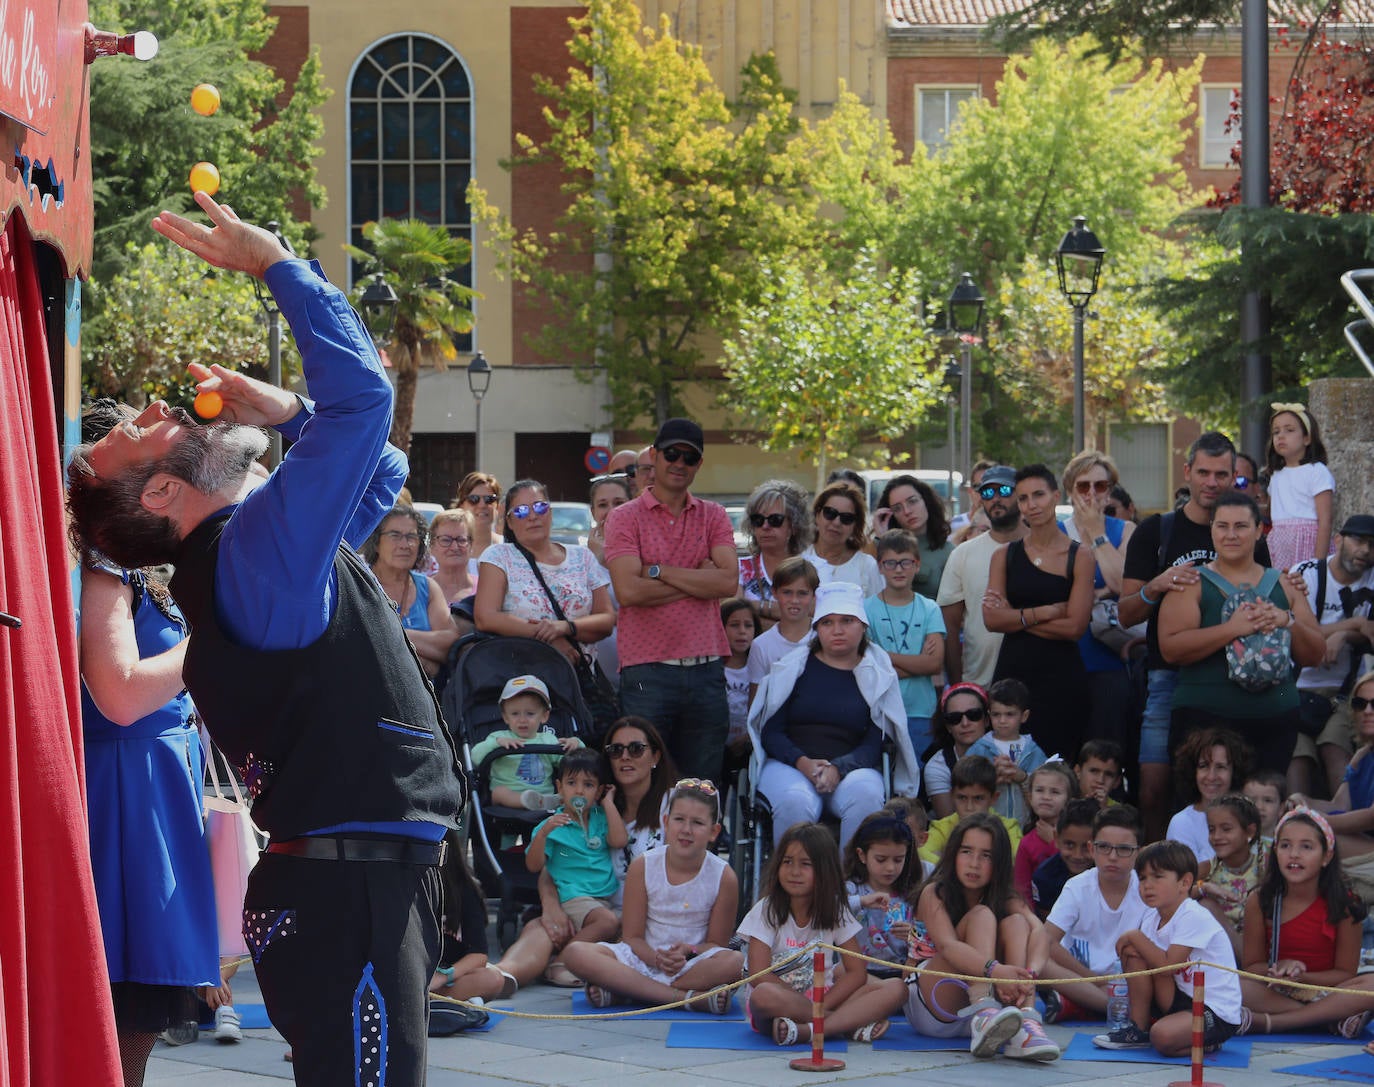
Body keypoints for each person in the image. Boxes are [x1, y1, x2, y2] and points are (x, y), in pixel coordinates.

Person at [64, 193, 466, 1085]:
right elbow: (364, 403)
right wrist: (273, 264)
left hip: (344, 881)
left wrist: (285, 411)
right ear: (163, 494)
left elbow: (382, 468)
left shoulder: (252, 556)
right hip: (348, 887)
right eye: (145, 433)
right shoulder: (253, 558)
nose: (167, 410)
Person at [78, 550, 220, 1084]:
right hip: (120, 792)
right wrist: (214, 636)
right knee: (121, 988)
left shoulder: (149, 570)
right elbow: (121, 695)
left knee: (144, 1003)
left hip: (163, 791)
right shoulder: (102, 568)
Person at [1119, 431, 1263, 842]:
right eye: (1203, 472)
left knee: (1229, 794)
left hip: (1231, 677)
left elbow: (1267, 591)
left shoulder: (1248, 532)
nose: (1212, 482)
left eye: (1222, 474)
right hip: (1168, 675)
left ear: (1234, 476)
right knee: (1153, 789)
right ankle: (1152, 880)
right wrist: (1158, 584)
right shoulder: (1156, 532)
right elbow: (1127, 611)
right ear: (1188, 472)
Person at [493, 717, 678, 990]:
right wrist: (551, 905)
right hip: (589, 908)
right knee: (547, 928)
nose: (625, 756)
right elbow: (551, 863)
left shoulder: (673, 806)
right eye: (616, 750)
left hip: (642, 925)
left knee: (581, 928)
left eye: (636, 748)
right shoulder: (585, 814)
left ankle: (560, 962)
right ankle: (495, 979)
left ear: (655, 756)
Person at [604, 418, 738, 781]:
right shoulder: (624, 517)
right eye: (672, 454)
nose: (679, 463)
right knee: (642, 783)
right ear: (654, 455)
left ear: (699, 465)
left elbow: (728, 582)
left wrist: (657, 569)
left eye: (690, 458)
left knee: (702, 784)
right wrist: (700, 577)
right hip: (648, 671)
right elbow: (628, 591)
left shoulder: (714, 514)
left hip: (706, 668)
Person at [1159, 491, 1324, 772]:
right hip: (1204, 721)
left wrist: (1287, 621)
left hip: (1276, 718)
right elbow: (1171, 649)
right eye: (1222, 526)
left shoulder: (1285, 584)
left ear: (1259, 530)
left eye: (1241, 526)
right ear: (1211, 530)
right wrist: (1231, 629)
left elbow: (1316, 654)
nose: (1230, 535)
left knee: (1264, 809)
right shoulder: (1192, 582)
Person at [749, 582, 919, 848]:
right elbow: (771, 732)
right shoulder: (792, 669)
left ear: (862, 626)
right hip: (790, 765)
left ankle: (850, 883)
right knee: (795, 801)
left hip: (854, 768)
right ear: (817, 628)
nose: (837, 630)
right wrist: (803, 763)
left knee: (866, 795)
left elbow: (877, 740)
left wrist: (839, 768)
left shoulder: (877, 675)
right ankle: (794, 882)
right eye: (827, 623)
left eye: (847, 621)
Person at [562, 779, 743, 1011]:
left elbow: (716, 944)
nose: (686, 830)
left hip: (690, 965)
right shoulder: (643, 865)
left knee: (735, 962)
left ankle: (629, 992)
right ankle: (683, 999)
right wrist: (656, 959)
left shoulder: (723, 876)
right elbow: (632, 937)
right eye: (679, 820)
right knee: (575, 953)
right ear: (666, 822)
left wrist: (690, 951)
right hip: (642, 958)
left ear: (713, 831)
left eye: (697, 823)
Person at [905, 812, 1061, 1061]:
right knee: (982, 915)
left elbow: (1040, 931)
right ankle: (984, 1009)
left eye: (986, 856)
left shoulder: (1007, 897)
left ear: (998, 863)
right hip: (933, 1004)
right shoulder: (935, 892)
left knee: (1018, 923)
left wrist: (1027, 976)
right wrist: (997, 971)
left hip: (994, 1010)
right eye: (966, 851)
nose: (974, 863)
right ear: (953, 854)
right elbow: (947, 946)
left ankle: (1025, 1019)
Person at [739, 823, 906, 1045]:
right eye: (787, 862)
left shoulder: (835, 909)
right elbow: (759, 974)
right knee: (763, 994)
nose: (794, 872)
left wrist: (823, 1004)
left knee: (897, 988)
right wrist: (809, 1006)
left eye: (805, 864)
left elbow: (857, 971)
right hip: (779, 1004)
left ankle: (810, 1030)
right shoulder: (766, 909)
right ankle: (848, 1024)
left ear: (824, 870)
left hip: (824, 998)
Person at [984, 464, 1095, 763]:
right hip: (1013, 673)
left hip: (1061, 677)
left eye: (1038, 495)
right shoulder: (1004, 555)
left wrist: (1016, 618)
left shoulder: (1080, 556)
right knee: (1005, 766)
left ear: (1056, 496)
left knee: (1056, 771)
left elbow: (1074, 627)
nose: (1031, 505)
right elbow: (992, 619)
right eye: (1023, 498)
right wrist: (1044, 612)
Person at [1234, 807, 1374, 1038]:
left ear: (1326, 856)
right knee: (1230, 985)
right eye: (1286, 845)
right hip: (1276, 991)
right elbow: (1252, 967)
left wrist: (1302, 977)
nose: (1294, 854)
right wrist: (1280, 971)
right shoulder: (1260, 900)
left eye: (1306, 847)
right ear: (1275, 851)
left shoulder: (1345, 904)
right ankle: (1328, 1020)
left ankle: (1271, 1023)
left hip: (1327, 990)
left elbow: (1344, 973)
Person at [1092, 841, 1242, 1055]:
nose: (1147, 885)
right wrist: (1132, 944)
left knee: (1162, 1037)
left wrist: (1133, 935)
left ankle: (1206, 1043)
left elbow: (1169, 965)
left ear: (1185, 882)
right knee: (1133, 953)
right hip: (1178, 996)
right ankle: (1138, 1029)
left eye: (1157, 876)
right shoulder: (1152, 917)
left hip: (1213, 1010)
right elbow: (1146, 961)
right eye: (1142, 878)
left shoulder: (1193, 914)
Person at [474, 479, 616, 667]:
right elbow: (486, 617)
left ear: (550, 513)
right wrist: (549, 640)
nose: (532, 516)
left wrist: (564, 628)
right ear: (509, 521)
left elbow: (606, 619)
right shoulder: (498, 556)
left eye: (539, 507)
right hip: (521, 672)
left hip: (578, 676)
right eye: (521, 511)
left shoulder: (582, 557)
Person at [1059, 451, 1139, 748]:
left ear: (1110, 491)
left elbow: (1122, 583)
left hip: (1111, 661)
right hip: (1063, 660)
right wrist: (1103, 592)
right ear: (1070, 492)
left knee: (1107, 753)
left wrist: (1095, 531)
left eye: (1100, 486)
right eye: (1083, 486)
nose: (1091, 494)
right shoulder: (1054, 533)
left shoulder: (1126, 531)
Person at [1291, 515, 1374, 796]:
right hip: (1295, 687)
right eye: (1359, 541)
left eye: (1372, 545)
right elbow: (1293, 629)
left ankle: (1345, 830)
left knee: (1335, 749)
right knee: (1296, 757)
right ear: (1338, 540)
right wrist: (1353, 624)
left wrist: (1344, 636)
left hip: (1346, 693)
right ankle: (1293, 828)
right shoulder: (1306, 573)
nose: (1365, 551)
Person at [1040, 805, 1148, 1023]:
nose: (1113, 857)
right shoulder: (1077, 886)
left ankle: (1081, 1005)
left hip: (1130, 983)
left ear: (1138, 853)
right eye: (1104, 847)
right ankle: (1112, 1007)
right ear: (1092, 849)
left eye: (1124, 849)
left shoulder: (1147, 890)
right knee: (1038, 962)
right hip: (1079, 976)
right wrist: (1092, 979)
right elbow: (1046, 941)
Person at [525, 749, 630, 947]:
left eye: (588, 785)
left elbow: (619, 840)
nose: (579, 791)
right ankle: (565, 961)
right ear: (560, 788)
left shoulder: (601, 818)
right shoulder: (553, 826)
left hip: (603, 897)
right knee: (607, 922)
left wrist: (608, 803)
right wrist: (542, 835)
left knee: (629, 926)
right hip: (573, 896)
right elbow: (533, 865)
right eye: (571, 783)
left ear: (598, 791)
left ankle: (573, 951)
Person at [1287, 673, 1374, 903]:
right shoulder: (1363, 754)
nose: (1367, 710)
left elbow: (1372, 816)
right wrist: (1302, 800)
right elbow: (1339, 804)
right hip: (1364, 844)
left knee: (1310, 838)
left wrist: (1318, 820)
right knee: (1296, 832)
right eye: (1360, 703)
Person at [938, 465, 1026, 687]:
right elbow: (949, 625)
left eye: (1004, 491)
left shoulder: (1044, 546)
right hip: (980, 684)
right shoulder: (962, 554)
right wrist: (960, 687)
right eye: (987, 493)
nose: (995, 498)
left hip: (1037, 682)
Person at [864, 530, 946, 761]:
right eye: (890, 563)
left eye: (905, 563)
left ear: (917, 565)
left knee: (919, 777)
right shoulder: (865, 609)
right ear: (879, 566)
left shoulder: (929, 608)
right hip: (879, 711)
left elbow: (934, 663)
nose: (898, 569)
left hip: (920, 711)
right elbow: (868, 667)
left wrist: (883, 655)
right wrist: (917, 663)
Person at [363, 504, 459, 678]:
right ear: (376, 542)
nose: (405, 544)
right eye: (395, 535)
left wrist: (393, 635)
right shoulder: (361, 584)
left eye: (411, 536)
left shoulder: (427, 587)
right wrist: (420, 658)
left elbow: (450, 642)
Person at [470, 675, 583, 812]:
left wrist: (576, 744)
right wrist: (497, 743)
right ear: (505, 717)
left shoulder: (549, 740)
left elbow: (574, 763)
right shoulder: (499, 737)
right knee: (499, 792)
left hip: (543, 797)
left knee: (566, 786)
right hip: (507, 800)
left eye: (530, 714)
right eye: (515, 714)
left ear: (544, 716)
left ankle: (542, 801)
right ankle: (525, 800)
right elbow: (475, 757)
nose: (522, 720)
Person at [1166, 727, 1251, 874]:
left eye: (1221, 767)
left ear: (1234, 772)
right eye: (1204, 766)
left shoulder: (1250, 815)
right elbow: (1183, 880)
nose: (1211, 776)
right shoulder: (1182, 822)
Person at [843, 812, 919, 977]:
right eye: (881, 859)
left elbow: (933, 936)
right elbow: (827, 910)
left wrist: (914, 936)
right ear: (862, 855)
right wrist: (861, 901)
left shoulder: (912, 892)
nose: (890, 868)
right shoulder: (852, 889)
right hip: (860, 973)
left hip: (903, 971)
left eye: (898, 860)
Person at [966, 677, 1047, 824]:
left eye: (1009, 714)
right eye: (996, 714)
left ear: (1024, 716)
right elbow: (965, 786)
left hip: (1025, 828)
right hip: (986, 826)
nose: (1002, 720)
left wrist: (1022, 777)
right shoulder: (978, 749)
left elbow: (1046, 788)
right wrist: (991, 779)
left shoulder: (1034, 751)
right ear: (989, 715)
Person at [1265, 402, 1335, 572]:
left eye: (1289, 430)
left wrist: (1318, 564)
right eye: (1276, 431)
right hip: (1281, 543)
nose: (1281, 436)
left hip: (1307, 543)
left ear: (1307, 437)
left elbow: (1325, 520)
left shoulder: (1316, 471)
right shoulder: (1276, 474)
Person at [920, 756, 1023, 865]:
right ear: (952, 796)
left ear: (993, 798)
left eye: (978, 798)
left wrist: (948, 862)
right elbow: (921, 851)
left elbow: (1018, 859)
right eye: (962, 798)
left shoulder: (1008, 828)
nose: (969, 807)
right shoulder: (941, 828)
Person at [1197, 794, 1266, 957]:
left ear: (1249, 831)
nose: (1217, 837)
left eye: (1226, 829)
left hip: (1258, 941)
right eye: (1211, 829)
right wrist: (1204, 887)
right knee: (1206, 904)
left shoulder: (1265, 866)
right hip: (1221, 948)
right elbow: (1177, 892)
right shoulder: (1208, 868)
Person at [737, 479, 812, 626]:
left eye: (775, 520)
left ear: (794, 526)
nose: (765, 526)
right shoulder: (739, 568)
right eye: (758, 520)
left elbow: (818, 614)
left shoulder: (815, 568)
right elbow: (736, 616)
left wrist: (752, 607)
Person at [747, 556, 818, 701]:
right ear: (774, 592)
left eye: (802, 593)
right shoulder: (761, 645)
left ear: (814, 594)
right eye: (787, 592)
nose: (794, 600)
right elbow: (756, 705)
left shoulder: (824, 639)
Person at [872, 475, 955, 599]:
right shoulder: (877, 546)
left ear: (926, 500)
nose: (907, 511)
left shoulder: (948, 551)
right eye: (897, 508)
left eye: (912, 501)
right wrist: (882, 540)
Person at [802, 481, 882, 597]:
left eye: (846, 518)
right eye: (830, 513)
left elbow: (879, 611)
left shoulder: (867, 567)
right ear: (817, 515)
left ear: (855, 526)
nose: (836, 522)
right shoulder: (799, 558)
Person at [1013, 762, 1077, 905]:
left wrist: (1054, 844)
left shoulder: (1078, 835)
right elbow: (1022, 888)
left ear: (1069, 800)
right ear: (1030, 797)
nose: (1046, 797)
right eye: (1040, 790)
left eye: (1055, 792)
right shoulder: (1027, 843)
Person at [924, 684, 991, 818]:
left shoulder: (1010, 752)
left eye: (974, 715)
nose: (965, 723)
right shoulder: (937, 766)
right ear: (948, 726)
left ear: (987, 720)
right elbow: (948, 821)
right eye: (955, 718)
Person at [1030, 798, 1097, 918]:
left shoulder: (1111, 874)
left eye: (1087, 847)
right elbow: (1048, 924)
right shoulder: (1044, 877)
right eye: (1070, 845)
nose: (1078, 855)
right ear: (1056, 838)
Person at [721, 598, 760, 776]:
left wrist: (748, 738)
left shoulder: (759, 668)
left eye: (748, 625)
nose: (742, 632)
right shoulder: (712, 669)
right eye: (734, 625)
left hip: (749, 746)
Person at [428, 507, 478, 604]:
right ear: (432, 546)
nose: (454, 547)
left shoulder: (485, 590)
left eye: (461, 540)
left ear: (471, 545)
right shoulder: (419, 590)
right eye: (446, 540)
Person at [451, 471, 504, 564]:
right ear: (461, 505)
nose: (482, 505)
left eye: (489, 499)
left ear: (497, 506)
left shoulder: (507, 548)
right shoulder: (448, 549)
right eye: (474, 499)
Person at [586, 473, 633, 566]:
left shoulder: (648, 546)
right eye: (603, 505)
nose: (612, 511)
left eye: (619, 503)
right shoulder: (580, 558)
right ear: (593, 512)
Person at [1074, 739, 1125, 811]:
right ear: (1078, 771)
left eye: (1108, 774)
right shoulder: (1062, 803)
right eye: (1094, 771)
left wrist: (1103, 811)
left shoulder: (1120, 812)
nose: (1100, 780)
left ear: (1117, 781)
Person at [1243, 769, 1286, 844]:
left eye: (1268, 800)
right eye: (1252, 800)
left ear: (1281, 808)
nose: (1259, 807)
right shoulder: (1235, 844)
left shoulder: (1284, 845)